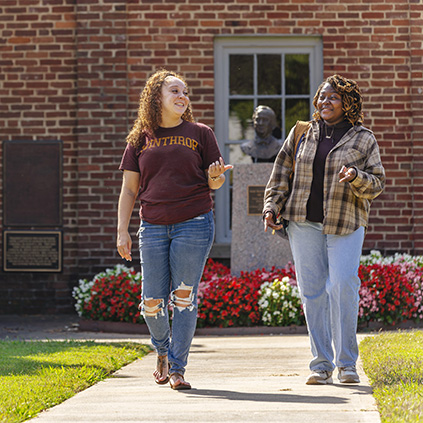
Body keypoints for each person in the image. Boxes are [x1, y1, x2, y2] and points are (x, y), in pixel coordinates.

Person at [263, 75, 385, 385]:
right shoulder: (302, 132)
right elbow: (281, 172)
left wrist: (356, 175)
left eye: (332, 98)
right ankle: (320, 364)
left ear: (348, 103)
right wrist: (271, 206)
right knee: (313, 293)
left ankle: (346, 364)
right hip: (304, 223)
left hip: (345, 223)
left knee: (342, 286)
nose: (323, 102)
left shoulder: (363, 138)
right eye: (321, 97)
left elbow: (377, 184)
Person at [117, 69, 232, 390]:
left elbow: (216, 182)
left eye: (185, 92)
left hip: (194, 222)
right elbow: (129, 190)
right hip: (152, 225)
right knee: (151, 302)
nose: (183, 97)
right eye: (175, 92)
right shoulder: (140, 138)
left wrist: (216, 175)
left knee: (183, 297)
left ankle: (178, 368)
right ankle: (163, 352)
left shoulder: (200, 133)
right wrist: (121, 231)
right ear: (157, 98)